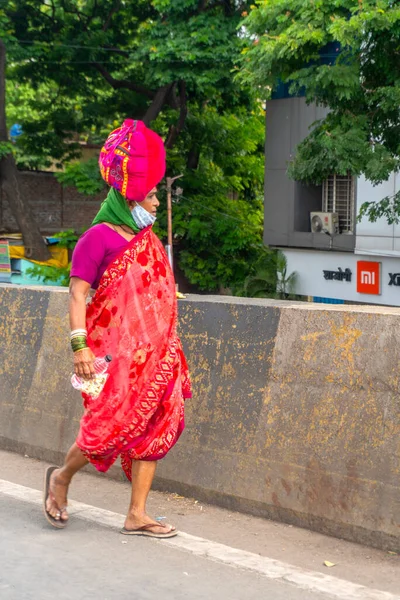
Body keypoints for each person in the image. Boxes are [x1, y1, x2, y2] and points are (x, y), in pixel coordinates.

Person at [43, 119, 191, 538]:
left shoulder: (147, 239)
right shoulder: (97, 239)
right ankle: (62, 478)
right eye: (152, 195)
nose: (158, 203)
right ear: (129, 197)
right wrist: (80, 348)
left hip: (157, 357)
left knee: (155, 425)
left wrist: (168, 345)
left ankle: (137, 514)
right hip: (112, 359)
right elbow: (77, 296)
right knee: (104, 428)